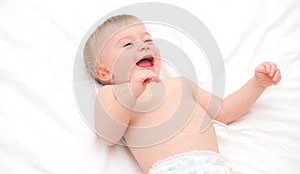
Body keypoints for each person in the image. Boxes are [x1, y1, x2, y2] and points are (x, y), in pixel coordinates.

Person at [83, 14, 281, 174]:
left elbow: (224, 111)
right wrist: (132, 92)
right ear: (105, 72)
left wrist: (257, 84)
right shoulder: (113, 94)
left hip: (214, 167)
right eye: (127, 44)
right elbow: (108, 136)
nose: (144, 45)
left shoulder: (180, 85)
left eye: (147, 39)